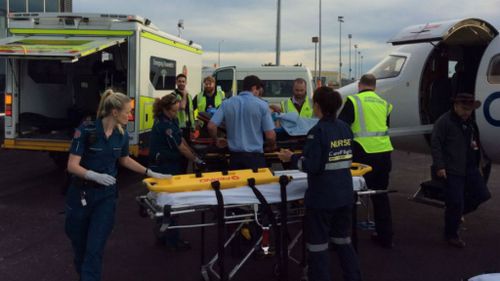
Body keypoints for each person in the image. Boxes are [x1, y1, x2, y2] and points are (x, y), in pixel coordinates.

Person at [65, 89, 170, 281]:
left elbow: (124, 159)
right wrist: (93, 175)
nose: (130, 116)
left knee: (94, 248)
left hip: (106, 197)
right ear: (114, 112)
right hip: (81, 195)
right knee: (79, 246)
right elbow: (72, 165)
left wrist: (150, 172)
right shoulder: (86, 130)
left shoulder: (121, 135)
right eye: (127, 112)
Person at [278, 87, 362, 281]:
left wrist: (291, 158)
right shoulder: (344, 128)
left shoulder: (317, 132)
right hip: (344, 194)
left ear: (317, 106)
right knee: (343, 241)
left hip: (322, 198)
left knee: (318, 245)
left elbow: (311, 165)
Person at [338, 74, 394, 249]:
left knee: (353, 196)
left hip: (362, 153)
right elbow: (385, 127)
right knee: (380, 195)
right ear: (374, 87)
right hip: (384, 153)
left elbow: (342, 126)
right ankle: (386, 237)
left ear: (359, 85)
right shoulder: (384, 104)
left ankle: (349, 240)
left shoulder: (354, 101)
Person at [431, 93, 491, 248]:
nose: (467, 112)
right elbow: (436, 144)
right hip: (452, 170)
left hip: (470, 168)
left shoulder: (471, 123)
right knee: (455, 202)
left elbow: (476, 143)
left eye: (470, 109)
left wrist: (481, 161)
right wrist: (440, 166)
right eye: (464, 109)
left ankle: (457, 214)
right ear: (456, 106)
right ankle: (451, 234)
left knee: (482, 194)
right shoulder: (444, 122)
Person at [148, 94, 205, 250]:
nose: (175, 113)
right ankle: (172, 241)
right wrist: (198, 160)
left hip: (168, 166)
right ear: (166, 109)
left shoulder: (169, 120)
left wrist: (192, 151)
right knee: (170, 205)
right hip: (165, 168)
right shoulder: (164, 126)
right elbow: (180, 147)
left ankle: (162, 236)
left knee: (164, 205)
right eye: (173, 111)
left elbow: (182, 140)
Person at [207, 75, 276, 170]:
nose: (259, 93)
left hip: (235, 158)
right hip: (255, 158)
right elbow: (270, 136)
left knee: (238, 184)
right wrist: (271, 146)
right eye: (259, 90)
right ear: (254, 88)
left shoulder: (227, 103)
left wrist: (216, 140)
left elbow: (211, 126)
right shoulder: (262, 105)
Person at [173, 74, 195, 142]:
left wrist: (193, 126)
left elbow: (191, 111)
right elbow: (182, 107)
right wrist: (185, 94)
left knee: (189, 146)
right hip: (179, 126)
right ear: (176, 82)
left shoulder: (189, 96)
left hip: (188, 127)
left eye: (183, 81)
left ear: (186, 83)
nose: (181, 83)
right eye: (179, 81)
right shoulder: (173, 95)